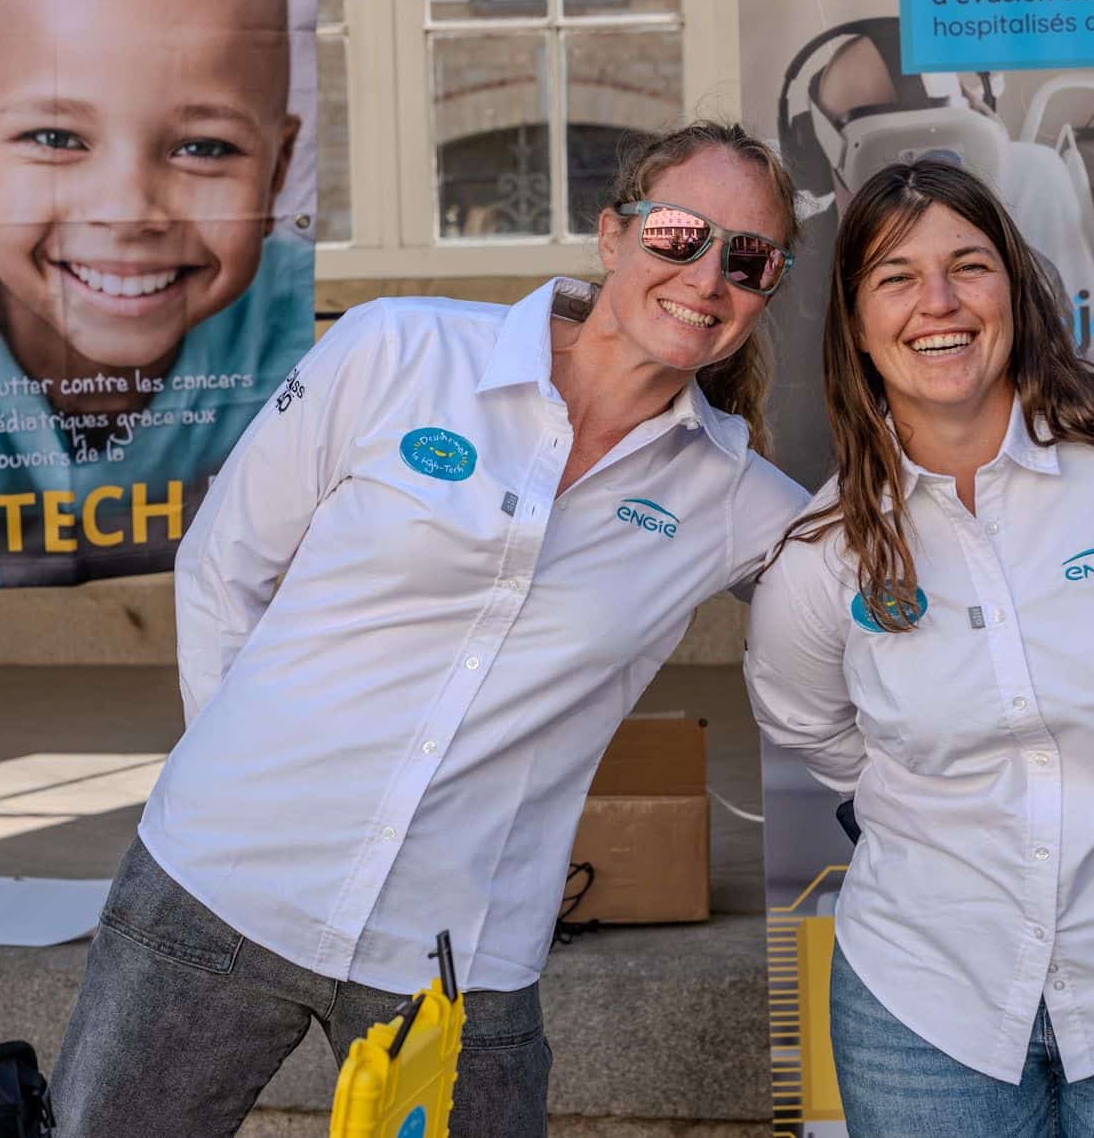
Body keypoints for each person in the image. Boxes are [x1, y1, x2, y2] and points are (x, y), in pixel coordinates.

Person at [50, 122, 810, 1136]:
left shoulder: (736, 498)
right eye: (678, 233)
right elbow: (225, 562)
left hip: (459, 949)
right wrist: (240, 784)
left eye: (748, 258)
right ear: (611, 235)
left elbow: (881, 592)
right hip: (218, 887)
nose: (707, 276)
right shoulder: (398, 348)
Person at [744, 159, 1094, 1137]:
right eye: (894, 277)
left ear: (1016, 290)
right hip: (926, 1003)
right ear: (855, 324)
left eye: (967, 266)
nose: (937, 302)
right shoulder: (819, 554)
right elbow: (810, 725)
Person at [0, 0, 313, 587]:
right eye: (55, 138)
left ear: (277, 171)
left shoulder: (302, 336)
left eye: (203, 147)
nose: (126, 211)